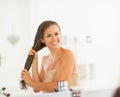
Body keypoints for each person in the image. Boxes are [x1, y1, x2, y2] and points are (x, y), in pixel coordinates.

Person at [21, 20, 79, 93]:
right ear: (42, 39)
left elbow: (58, 86)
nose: (54, 39)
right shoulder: (45, 59)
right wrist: (34, 62)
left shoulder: (68, 55)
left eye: (56, 34)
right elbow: (36, 89)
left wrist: (31, 82)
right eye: (49, 35)